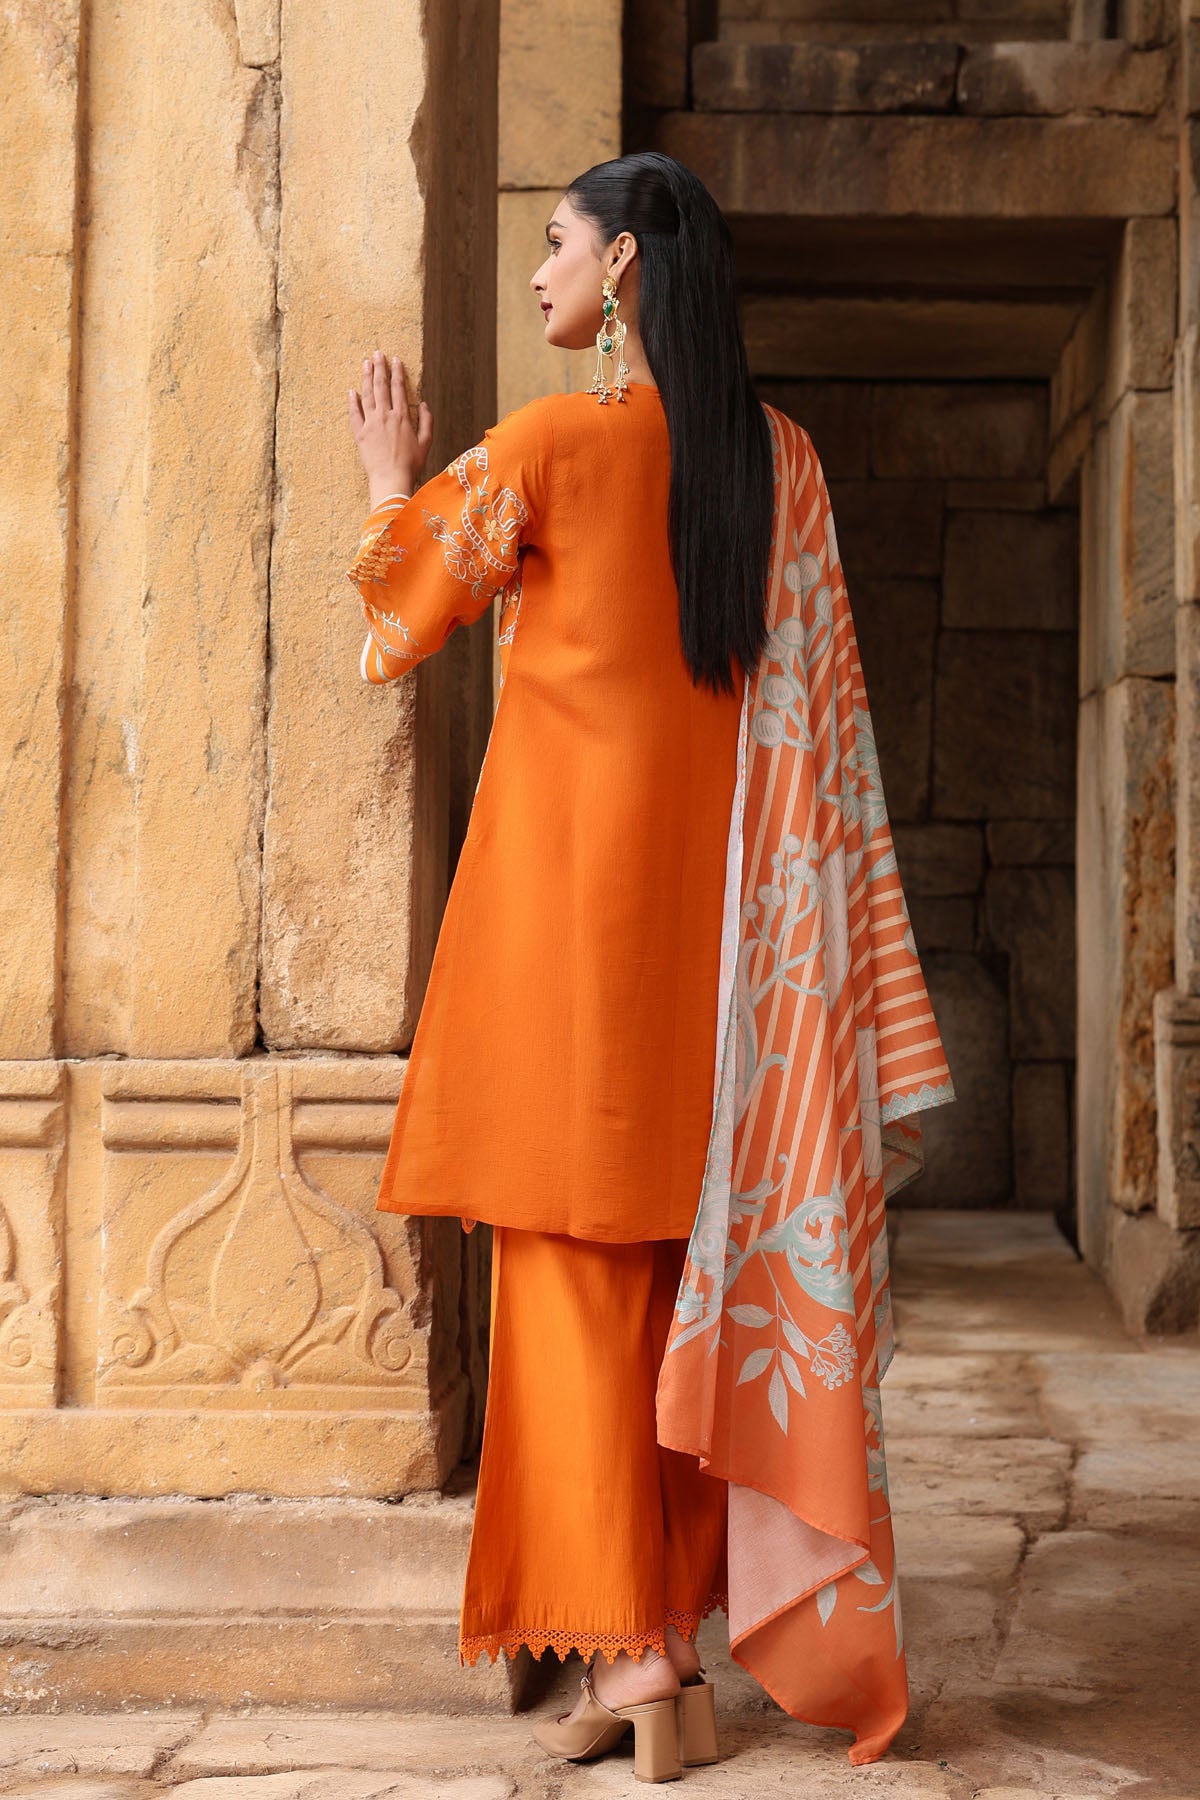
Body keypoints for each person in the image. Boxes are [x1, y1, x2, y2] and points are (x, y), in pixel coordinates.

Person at [345, 151, 954, 1781]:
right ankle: (667, 1650)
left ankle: (637, 1662)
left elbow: (397, 615)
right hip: (737, 975)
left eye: (556, 244)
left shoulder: (551, 445)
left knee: (569, 1299)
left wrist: (391, 479)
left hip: (563, 947)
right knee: (693, 1294)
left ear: (622, 267)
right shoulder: (780, 465)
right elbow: (822, 722)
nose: (539, 269)